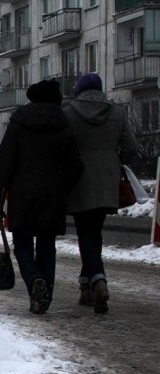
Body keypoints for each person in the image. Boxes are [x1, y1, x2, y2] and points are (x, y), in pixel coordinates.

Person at [0, 79, 84, 315]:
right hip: (52, 196)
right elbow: (76, 166)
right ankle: (45, 295)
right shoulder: (64, 124)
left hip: (22, 195)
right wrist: (62, 187)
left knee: (22, 243)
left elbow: (4, 161)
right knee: (46, 245)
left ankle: (34, 281)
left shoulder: (19, 122)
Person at [62, 72, 138, 314]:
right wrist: (115, 163)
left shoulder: (69, 113)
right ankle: (86, 286)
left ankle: (97, 278)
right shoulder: (116, 112)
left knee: (86, 233)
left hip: (80, 179)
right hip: (108, 179)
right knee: (94, 232)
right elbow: (131, 147)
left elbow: (62, 147)